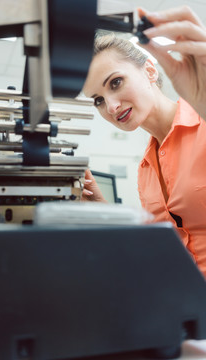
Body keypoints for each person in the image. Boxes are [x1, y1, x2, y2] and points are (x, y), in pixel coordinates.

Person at [82, 6, 206, 278]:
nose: (111, 107)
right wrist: (102, 211)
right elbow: (158, 249)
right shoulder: (146, 169)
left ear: (150, 71)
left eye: (115, 83)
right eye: (98, 100)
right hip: (184, 306)